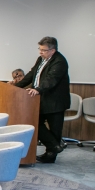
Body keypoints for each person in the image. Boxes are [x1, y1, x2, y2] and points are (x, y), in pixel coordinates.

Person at [13, 36, 70, 164]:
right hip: (42, 99)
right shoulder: (41, 59)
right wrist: (15, 88)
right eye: (40, 49)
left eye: (43, 50)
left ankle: (51, 155)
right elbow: (31, 75)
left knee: (55, 129)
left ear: (52, 50)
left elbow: (51, 79)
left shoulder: (60, 61)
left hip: (55, 101)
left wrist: (38, 89)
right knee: (34, 123)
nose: (40, 52)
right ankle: (55, 146)